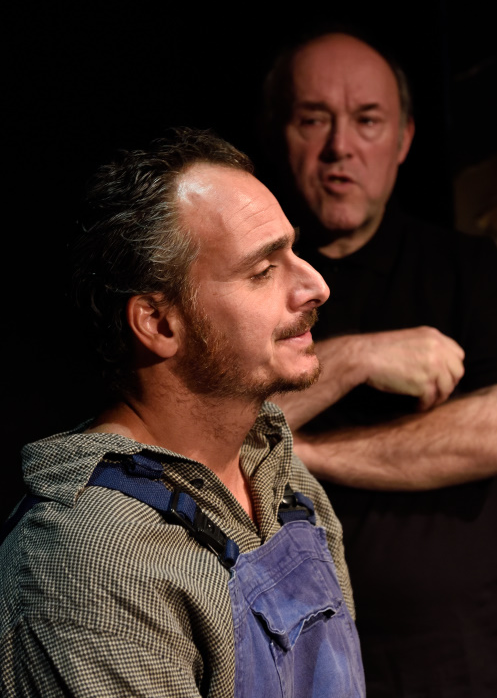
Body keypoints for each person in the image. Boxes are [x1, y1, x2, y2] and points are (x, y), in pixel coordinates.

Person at [0, 128, 366, 698]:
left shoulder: (281, 478)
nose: (315, 286)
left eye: (293, 252)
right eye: (263, 271)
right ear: (158, 322)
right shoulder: (95, 556)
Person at [262, 31, 497, 697]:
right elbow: (206, 435)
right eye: (313, 119)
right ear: (279, 133)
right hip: (291, 661)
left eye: (367, 120)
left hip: (464, 656)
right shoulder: (242, 289)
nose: (340, 147)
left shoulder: (468, 270)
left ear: (404, 139)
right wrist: (357, 357)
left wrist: (301, 452)